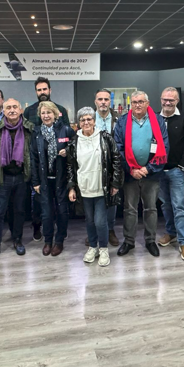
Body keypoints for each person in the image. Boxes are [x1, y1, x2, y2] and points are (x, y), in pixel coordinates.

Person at [113, 91, 169, 257]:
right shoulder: (122, 122)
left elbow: (164, 146)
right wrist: (131, 169)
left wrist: (149, 169)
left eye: (141, 102)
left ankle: (150, 240)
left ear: (147, 103)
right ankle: (129, 241)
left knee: (151, 209)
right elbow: (118, 148)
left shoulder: (158, 121)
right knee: (129, 209)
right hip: (131, 174)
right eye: (135, 102)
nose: (137, 105)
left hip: (151, 174)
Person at [68, 107, 123, 267]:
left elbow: (116, 160)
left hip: (102, 186)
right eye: (83, 120)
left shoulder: (105, 138)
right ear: (79, 123)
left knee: (100, 221)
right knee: (90, 221)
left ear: (94, 121)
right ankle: (93, 247)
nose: (86, 122)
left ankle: (104, 248)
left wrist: (115, 183)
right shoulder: (74, 141)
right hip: (84, 188)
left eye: (89, 119)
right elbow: (70, 167)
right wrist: (71, 187)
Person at [0, 98, 33, 263]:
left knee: (19, 211)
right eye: (8, 108)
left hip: (21, 177)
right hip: (2, 177)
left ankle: (17, 240)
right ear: (3, 111)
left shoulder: (29, 129)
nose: (11, 110)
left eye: (14, 107)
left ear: (21, 110)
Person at [23, 77, 70, 241]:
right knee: (38, 204)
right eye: (39, 90)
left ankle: (59, 234)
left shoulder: (61, 109)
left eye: (44, 89)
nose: (42, 92)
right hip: (38, 162)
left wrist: (66, 150)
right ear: (36, 92)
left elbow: (67, 135)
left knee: (59, 206)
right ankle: (37, 227)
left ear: (50, 90)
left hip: (58, 167)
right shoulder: (29, 112)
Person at [31, 101, 75, 256]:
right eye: (43, 113)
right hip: (44, 180)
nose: (46, 116)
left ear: (55, 114)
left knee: (62, 211)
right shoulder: (36, 133)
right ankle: (48, 241)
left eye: (49, 112)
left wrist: (68, 150)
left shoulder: (66, 130)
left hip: (61, 180)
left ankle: (59, 241)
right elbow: (34, 159)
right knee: (47, 213)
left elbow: (76, 147)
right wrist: (35, 181)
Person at [156, 87, 184, 261]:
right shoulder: (155, 118)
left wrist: (182, 166)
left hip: (176, 170)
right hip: (158, 171)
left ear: (177, 101)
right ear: (161, 100)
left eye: (171, 100)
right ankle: (171, 232)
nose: (168, 103)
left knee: (179, 206)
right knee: (165, 205)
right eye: (165, 99)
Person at [86, 88, 120, 247]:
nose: (103, 102)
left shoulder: (119, 119)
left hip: (112, 166)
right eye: (100, 99)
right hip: (93, 166)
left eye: (106, 99)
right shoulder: (89, 119)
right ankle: (93, 232)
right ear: (95, 101)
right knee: (93, 199)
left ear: (110, 101)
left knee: (111, 199)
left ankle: (110, 229)